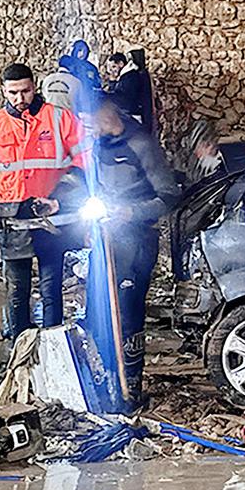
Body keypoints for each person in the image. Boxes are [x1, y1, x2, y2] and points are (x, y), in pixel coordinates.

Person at [58, 97, 180, 395]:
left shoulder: (141, 145)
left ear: (107, 112)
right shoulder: (98, 148)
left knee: (127, 312)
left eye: (89, 121)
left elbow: (169, 195)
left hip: (137, 241)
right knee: (97, 309)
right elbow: (92, 187)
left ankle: (130, 384)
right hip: (105, 239)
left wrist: (132, 212)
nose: (86, 129)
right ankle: (105, 378)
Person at [0, 64, 84, 341]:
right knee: (16, 290)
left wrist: (60, 199)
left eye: (26, 91)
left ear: (36, 87)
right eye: (13, 93)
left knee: (51, 288)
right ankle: (18, 353)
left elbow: (83, 162)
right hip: (11, 219)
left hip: (51, 217)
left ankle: (55, 350)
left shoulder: (60, 119)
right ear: (3, 91)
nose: (20, 98)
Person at [110, 48, 155, 127]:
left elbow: (124, 98)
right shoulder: (133, 75)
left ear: (121, 64)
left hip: (134, 116)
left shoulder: (130, 77)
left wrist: (112, 84)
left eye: (114, 66)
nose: (112, 71)